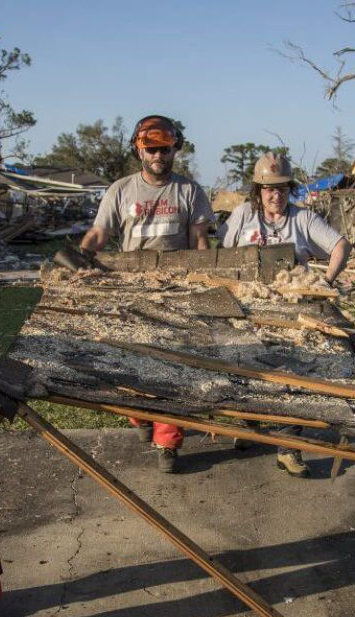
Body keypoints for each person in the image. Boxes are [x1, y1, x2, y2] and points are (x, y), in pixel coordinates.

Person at [79, 115, 214, 474]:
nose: (158, 155)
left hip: (175, 286)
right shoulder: (121, 190)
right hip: (130, 289)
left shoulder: (189, 192)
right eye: (151, 148)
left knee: (174, 364)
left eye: (164, 149)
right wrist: (80, 259)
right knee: (129, 363)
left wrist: (200, 281)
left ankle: (168, 443)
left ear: (175, 149)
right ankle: (141, 417)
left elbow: (200, 240)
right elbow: (98, 233)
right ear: (139, 150)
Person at [217, 152, 352, 477]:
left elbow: (340, 245)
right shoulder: (242, 216)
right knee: (244, 367)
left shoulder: (302, 220)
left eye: (280, 189)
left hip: (291, 315)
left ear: (289, 189)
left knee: (294, 378)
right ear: (258, 191)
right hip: (246, 309)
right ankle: (249, 424)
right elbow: (218, 253)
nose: (275, 195)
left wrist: (324, 282)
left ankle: (288, 447)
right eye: (268, 189)